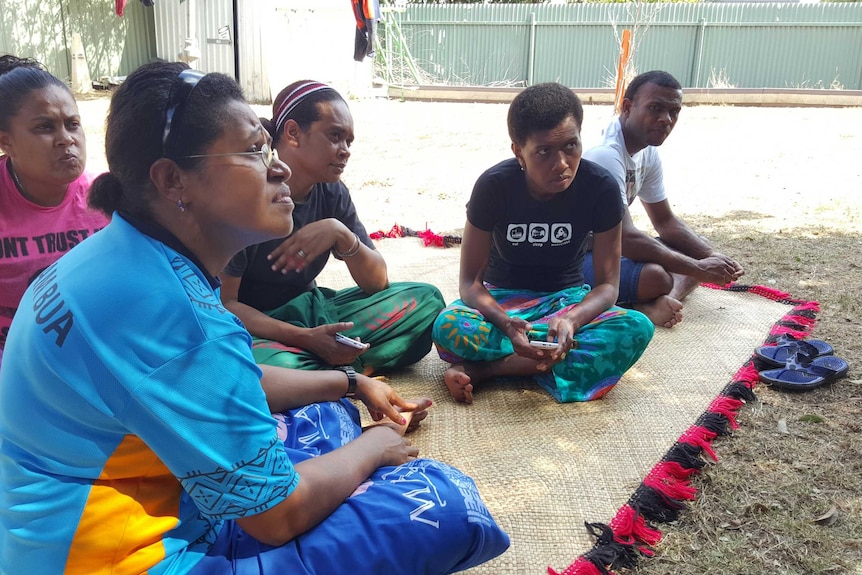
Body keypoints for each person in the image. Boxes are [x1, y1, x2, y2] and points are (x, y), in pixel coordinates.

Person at [0, 62, 509, 574]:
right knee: (441, 509)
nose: (278, 167)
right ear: (173, 179)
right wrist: (376, 445)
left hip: (75, 517)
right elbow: (276, 517)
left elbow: (214, 376)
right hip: (108, 556)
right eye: (251, 150)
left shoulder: (125, 252)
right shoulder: (178, 315)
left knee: (327, 414)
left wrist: (351, 383)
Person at [431, 83, 654, 404]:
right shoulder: (494, 187)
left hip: (566, 302)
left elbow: (607, 286)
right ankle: (549, 358)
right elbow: (469, 283)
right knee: (448, 324)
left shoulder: (600, 189)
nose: (562, 163)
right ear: (518, 152)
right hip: (501, 302)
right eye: (544, 151)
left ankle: (487, 370)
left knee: (636, 327)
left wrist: (571, 321)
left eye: (570, 146)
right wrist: (507, 324)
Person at [221, 80, 445, 376]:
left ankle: (317, 372)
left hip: (313, 312)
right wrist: (305, 339)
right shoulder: (249, 194)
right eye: (335, 136)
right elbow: (226, 305)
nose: (345, 151)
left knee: (426, 300)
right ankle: (333, 368)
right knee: (236, 363)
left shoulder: (333, 193)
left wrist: (340, 234)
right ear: (293, 133)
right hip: (259, 329)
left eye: (349, 141)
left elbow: (377, 283)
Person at [582, 70, 744, 329]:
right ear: (627, 107)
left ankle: (662, 303)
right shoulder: (605, 155)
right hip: (572, 258)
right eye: (655, 108)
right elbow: (626, 238)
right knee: (657, 276)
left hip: (608, 251)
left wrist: (712, 256)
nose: (666, 119)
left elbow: (665, 221)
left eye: (674, 112)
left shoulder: (646, 151)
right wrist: (699, 269)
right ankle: (644, 303)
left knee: (689, 250)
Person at [0, 54, 109, 366]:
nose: (66, 139)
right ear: (7, 142)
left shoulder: (106, 201)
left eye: (72, 124)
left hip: (95, 359)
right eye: (44, 127)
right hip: (14, 369)